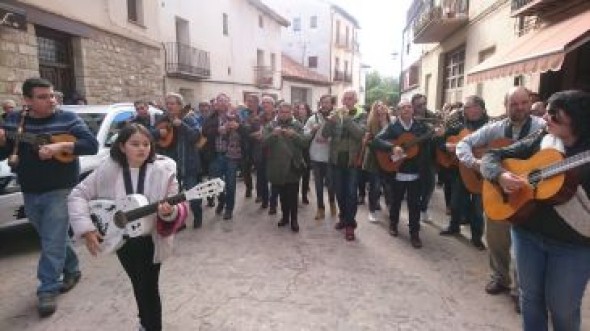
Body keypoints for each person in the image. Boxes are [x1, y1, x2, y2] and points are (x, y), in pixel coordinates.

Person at [481, 90, 590, 331]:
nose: (545, 117)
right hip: (527, 234)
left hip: (573, 244)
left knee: (563, 309)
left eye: (555, 113)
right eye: (547, 110)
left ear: (576, 118)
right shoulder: (543, 137)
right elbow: (493, 155)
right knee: (530, 299)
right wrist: (500, 176)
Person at [68, 123, 187, 331]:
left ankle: (151, 326)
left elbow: (179, 208)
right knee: (137, 283)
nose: (142, 148)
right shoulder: (108, 170)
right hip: (121, 239)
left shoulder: (164, 172)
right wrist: (86, 228)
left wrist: (171, 212)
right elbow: (77, 195)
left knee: (149, 287)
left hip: (151, 240)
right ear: (122, 147)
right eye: (135, 144)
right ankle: (144, 321)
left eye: (146, 144)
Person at [0, 78, 99, 317]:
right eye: (43, 97)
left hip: (61, 188)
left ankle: (47, 288)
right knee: (50, 235)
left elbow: (91, 144)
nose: (51, 100)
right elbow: (6, 154)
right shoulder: (14, 120)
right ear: (27, 100)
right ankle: (73, 268)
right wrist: (2, 142)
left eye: (52, 95)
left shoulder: (67, 118)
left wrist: (58, 147)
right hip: (30, 188)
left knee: (51, 240)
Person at [456, 86, 546, 311]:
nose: (520, 108)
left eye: (524, 102)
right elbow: (462, 144)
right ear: (505, 107)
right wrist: (477, 164)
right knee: (496, 237)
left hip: (529, 195)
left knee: (523, 245)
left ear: (530, 102)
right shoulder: (494, 129)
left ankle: (520, 289)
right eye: (514, 104)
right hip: (498, 192)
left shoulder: (541, 128)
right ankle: (500, 277)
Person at [372, 99, 430, 248]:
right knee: (395, 201)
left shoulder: (420, 126)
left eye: (409, 107)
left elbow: (430, 142)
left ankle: (414, 234)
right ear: (398, 111)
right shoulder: (393, 126)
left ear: (413, 110)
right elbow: (377, 141)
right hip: (397, 171)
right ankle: (393, 224)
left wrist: (439, 135)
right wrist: (392, 147)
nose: (406, 109)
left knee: (414, 204)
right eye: (403, 107)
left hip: (415, 171)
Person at [438, 96, 489, 250]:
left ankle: (476, 237)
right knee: (455, 203)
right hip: (460, 172)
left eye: (469, 107)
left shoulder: (491, 126)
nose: (465, 110)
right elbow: (439, 142)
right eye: (465, 107)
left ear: (480, 108)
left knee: (478, 208)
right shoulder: (458, 126)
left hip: (481, 173)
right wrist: (447, 146)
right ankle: (454, 226)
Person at [322, 90, 367, 241]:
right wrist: (330, 122)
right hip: (336, 161)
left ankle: (350, 225)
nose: (346, 101)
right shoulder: (336, 114)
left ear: (355, 101)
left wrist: (347, 118)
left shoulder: (361, 115)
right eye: (345, 99)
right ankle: (343, 217)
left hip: (351, 162)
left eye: (350, 99)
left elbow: (360, 134)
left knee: (351, 194)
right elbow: (325, 134)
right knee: (339, 193)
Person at [155, 93, 202, 228]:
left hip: (188, 163)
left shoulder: (189, 119)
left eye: (173, 103)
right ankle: (179, 221)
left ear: (180, 106)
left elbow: (196, 137)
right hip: (169, 164)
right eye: (168, 103)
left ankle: (197, 216)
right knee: (173, 197)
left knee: (193, 194)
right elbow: (152, 136)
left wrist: (182, 125)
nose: (169, 106)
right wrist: (159, 133)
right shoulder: (162, 120)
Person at [202, 93, 247, 220]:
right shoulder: (211, 117)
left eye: (225, 101)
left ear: (229, 103)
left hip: (231, 156)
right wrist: (218, 130)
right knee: (216, 184)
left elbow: (246, 132)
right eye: (219, 101)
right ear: (216, 104)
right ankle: (222, 201)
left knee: (231, 184)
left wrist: (238, 127)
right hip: (215, 155)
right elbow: (204, 132)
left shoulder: (236, 116)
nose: (222, 103)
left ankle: (229, 208)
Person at [263, 103, 307, 232]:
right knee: (282, 195)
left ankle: (294, 220)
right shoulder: (271, 125)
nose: (284, 114)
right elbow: (264, 143)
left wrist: (294, 135)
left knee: (293, 195)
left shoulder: (297, 125)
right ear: (278, 112)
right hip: (277, 166)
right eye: (282, 112)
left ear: (292, 113)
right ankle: (285, 217)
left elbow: (304, 143)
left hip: (293, 165)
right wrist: (273, 135)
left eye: (287, 112)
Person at [304, 95, 337, 220]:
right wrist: (312, 130)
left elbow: (340, 135)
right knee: (318, 184)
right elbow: (304, 133)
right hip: (316, 156)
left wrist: (328, 139)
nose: (324, 105)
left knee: (330, 184)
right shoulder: (313, 118)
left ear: (331, 104)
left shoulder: (335, 118)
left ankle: (332, 203)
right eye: (322, 102)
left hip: (329, 156)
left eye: (327, 102)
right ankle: (320, 208)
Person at [411, 93, 438, 223]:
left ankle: (424, 208)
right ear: (413, 106)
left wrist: (439, 133)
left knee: (430, 185)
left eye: (424, 104)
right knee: (415, 187)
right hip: (413, 157)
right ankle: (415, 213)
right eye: (419, 105)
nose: (422, 107)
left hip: (429, 156)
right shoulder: (409, 116)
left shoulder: (432, 116)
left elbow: (439, 133)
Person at [362, 101, 390, 222]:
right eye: (377, 106)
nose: (380, 108)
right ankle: (372, 210)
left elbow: (393, 138)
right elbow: (368, 141)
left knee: (389, 187)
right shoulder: (370, 122)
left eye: (382, 106)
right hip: (373, 158)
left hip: (388, 159)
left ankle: (390, 207)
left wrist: (384, 121)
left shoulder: (391, 121)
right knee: (375, 187)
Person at [294, 102, 312, 204]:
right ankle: (295, 194)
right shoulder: (294, 121)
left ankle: (304, 195)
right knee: (296, 174)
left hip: (307, 151)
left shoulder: (310, 120)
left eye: (303, 109)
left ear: (307, 110)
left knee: (306, 174)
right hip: (297, 150)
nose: (301, 111)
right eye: (300, 109)